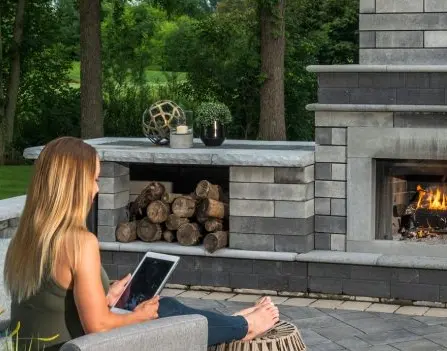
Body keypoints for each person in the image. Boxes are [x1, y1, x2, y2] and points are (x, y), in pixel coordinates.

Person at [3, 137, 279, 350]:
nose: (97, 189)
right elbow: (98, 327)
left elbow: (54, 303)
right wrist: (138, 316)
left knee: (161, 307)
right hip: (80, 348)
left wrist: (105, 296)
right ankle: (243, 326)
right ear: (73, 184)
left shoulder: (26, 237)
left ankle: (230, 324)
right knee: (163, 310)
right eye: (94, 179)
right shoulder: (78, 242)